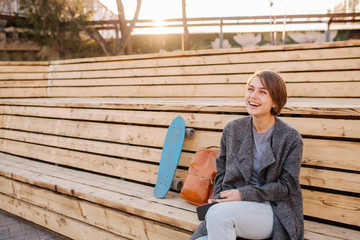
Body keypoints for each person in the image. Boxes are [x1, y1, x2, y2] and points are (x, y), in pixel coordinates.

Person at [190, 70, 304, 240]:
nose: (253, 96)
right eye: (250, 89)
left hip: (272, 209)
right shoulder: (233, 129)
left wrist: (243, 194)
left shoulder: (290, 138)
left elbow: (287, 187)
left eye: (262, 92)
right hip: (235, 206)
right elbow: (222, 172)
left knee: (219, 216)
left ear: (275, 102)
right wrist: (217, 200)